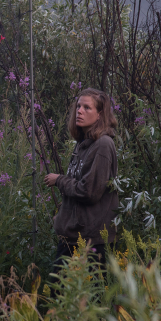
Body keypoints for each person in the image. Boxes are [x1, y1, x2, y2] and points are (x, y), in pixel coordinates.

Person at [44, 88, 118, 273]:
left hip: (91, 240)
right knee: (60, 295)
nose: (79, 111)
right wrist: (64, 216)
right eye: (78, 106)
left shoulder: (103, 145)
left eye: (87, 107)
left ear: (100, 114)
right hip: (74, 235)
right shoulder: (83, 143)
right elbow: (77, 183)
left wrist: (59, 180)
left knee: (81, 297)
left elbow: (89, 192)